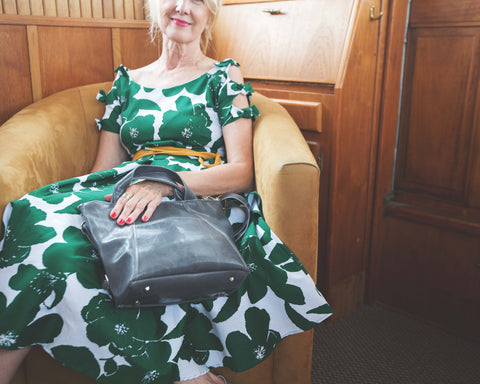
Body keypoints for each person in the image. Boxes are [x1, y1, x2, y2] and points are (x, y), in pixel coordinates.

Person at [0, 0, 332, 383]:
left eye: (197, 1)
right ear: (154, 7)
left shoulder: (224, 76)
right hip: (127, 186)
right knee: (31, 217)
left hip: (192, 193)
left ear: (210, 15)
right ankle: (192, 378)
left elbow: (242, 172)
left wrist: (167, 182)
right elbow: (101, 172)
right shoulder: (126, 82)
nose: (183, 7)